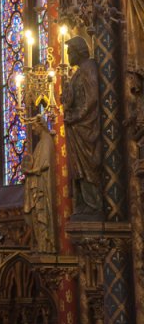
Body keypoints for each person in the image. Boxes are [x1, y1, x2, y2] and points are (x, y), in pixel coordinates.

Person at [62, 35, 103, 217]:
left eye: (70, 51)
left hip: (87, 127)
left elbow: (93, 98)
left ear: (79, 51)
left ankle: (93, 204)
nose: (68, 55)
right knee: (79, 169)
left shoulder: (88, 68)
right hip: (77, 128)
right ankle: (85, 204)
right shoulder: (78, 72)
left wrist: (77, 116)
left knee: (89, 167)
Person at [22, 115, 56, 251]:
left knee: (42, 215)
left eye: (35, 126)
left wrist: (30, 172)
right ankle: (42, 246)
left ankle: (45, 246)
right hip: (38, 184)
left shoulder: (46, 141)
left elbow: (45, 164)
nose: (34, 129)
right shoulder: (40, 143)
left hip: (43, 185)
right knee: (37, 217)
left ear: (41, 125)